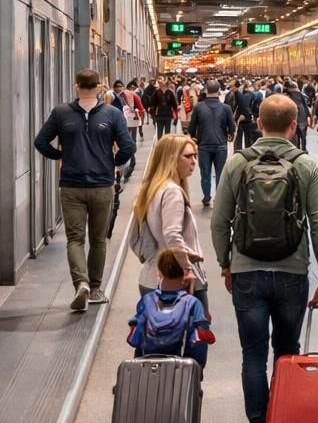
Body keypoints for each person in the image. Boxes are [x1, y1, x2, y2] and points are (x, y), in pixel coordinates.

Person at [211, 94, 318, 423]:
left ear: (258, 123)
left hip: (247, 271)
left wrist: (225, 263)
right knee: (287, 352)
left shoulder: (237, 163)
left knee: (252, 355)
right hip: (292, 271)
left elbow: (220, 221)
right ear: (295, 125)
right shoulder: (306, 166)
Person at [33, 69, 135, 312]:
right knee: (98, 239)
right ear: (100, 87)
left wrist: (62, 156)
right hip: (102, 186)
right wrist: (112, 164)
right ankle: (96, 288)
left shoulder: (61, 113)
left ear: (76, 85)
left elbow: (40, 141)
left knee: (75, 239)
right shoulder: (112, 114)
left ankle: (81, 283)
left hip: (71, 186)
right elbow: (128, 147)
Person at [127, 250, 216, 423]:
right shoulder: (193, 304)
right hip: (182, 367)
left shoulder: (147, 300)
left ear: (161, 272)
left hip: (147, 365)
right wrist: (198, 368)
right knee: (187, 392)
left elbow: (135, 338)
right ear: (186, 273)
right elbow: (199, 340)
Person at [127, 134, 209, 314]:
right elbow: (172, 234)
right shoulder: (172, 192)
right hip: (178, 282)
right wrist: (187, 268)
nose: (194, 161)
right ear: (171, 158)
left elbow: (133, 238)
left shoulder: (150, 190)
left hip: (150, 279)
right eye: (188, 156)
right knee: (195, 337)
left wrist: (151, 257)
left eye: (195, 156)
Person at [188, 80, 236, 208]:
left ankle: (206, 197)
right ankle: (219, 197)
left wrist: (193, 137)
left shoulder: (199, 107)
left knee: (205, 173)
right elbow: (232, 125)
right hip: (221, 144)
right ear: (219, 90)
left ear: (205, 90)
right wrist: (230, 134)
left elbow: (192, 126)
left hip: (204, 144)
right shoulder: (226, 108)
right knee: (220, 172)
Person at [286, 83, 310, 153]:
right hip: (302, 118)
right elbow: (306, 107)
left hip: (294, 119)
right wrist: (308, 116)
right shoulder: (301, 96)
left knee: (295, 136)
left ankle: (297, 149)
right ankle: (304, 149)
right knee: (303, 135)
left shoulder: (288, 97)